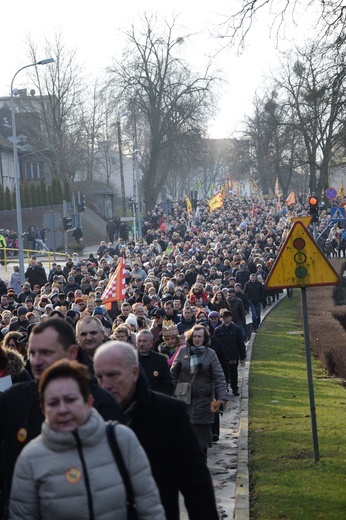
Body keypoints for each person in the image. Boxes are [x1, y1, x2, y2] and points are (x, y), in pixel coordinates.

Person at [9, 359, 165, 520]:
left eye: (71, 399)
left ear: (89, 402)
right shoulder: (30, 458)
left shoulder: (122, 440)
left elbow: (150, 508)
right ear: (43, 409)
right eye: (53, 403)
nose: (62, 409)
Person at [0, 318, 123, 518]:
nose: (36, 361)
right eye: (32, 353)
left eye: (46, 353)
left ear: (71, 353)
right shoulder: (14, 399)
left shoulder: (101, 402)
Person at [94, 341, 219, 520]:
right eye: (99, 377)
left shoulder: (169, 413)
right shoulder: (90, 416)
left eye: (113, 375)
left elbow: (196, 483)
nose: (105, 384)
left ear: (134, 373)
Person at [170, 324, 228, 457]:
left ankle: (201, 467)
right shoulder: (183, 351)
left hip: (205, 401)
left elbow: (219, 377)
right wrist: (170, 394)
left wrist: (222, 398)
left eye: (199, 336)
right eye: (194, 336)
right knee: (185, 436)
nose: (196, 339)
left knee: (202, 439)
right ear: (190, 337)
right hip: (184, 399)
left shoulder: (211, 354)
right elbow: (173, 374)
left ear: (204, 338)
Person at [213, 309, 246, 396]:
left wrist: (242, 356)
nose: (225, 319)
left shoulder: (236, 329)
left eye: (226, 317)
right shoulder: (218, 330)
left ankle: (235, 388)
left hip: (233, 354)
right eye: (223, 317)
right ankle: (225, 388)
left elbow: (240, 343)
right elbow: (215, 344)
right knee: (223, 373)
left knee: (233, 372)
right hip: (222, 356)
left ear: (231, 318)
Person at [136, 329, 174, 395]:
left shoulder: (161, 360)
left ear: (151, 343)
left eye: (145, 341)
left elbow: (168, 386)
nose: (141, 344)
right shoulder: (129, 359)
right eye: (139, 341)